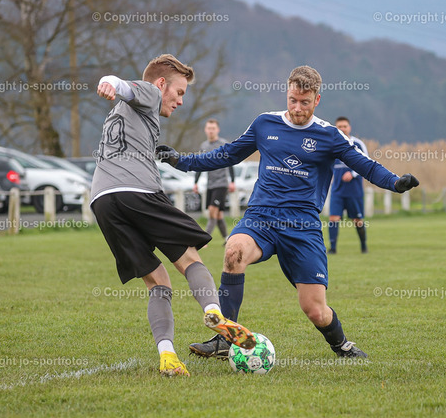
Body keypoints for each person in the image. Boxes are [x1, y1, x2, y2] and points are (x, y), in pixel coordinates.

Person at [157, 65, 419, 360]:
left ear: (317, 100)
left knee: (315, 310)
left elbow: (366, 166)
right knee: (233, 251)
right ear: (287, 93)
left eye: (304, 102)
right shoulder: (265, 123)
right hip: (261, 217)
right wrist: (181, 161)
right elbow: (227, 154)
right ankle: (226, 338)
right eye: (292, 100)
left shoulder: (329, 135)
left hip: (302, 226)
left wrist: (394, 183)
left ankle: (342, 345)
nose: (297, 108)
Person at [90, 54, 256, 377]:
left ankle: (167, 355)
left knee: (158, 281)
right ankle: (215, 313)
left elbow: (124, 94)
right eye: (179, 92)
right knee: (189, 258)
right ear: (162, 83)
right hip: (138, 192)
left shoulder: (123, 113)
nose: (180, 101)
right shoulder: (151, 93)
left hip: (102, 201)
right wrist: (108, 82)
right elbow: (123, 85)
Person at [328, 116, 368, 254]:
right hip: (337, 190)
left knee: (357, 219)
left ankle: (363, 246)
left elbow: (367, 164)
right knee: (333, 218)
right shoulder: (331, 144)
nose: (342, 129)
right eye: (339, 127)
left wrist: (352, 173)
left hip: (354, 190)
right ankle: (333, 248)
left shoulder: (358, 144)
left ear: (349, 128)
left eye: (344, 126)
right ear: (336, 128)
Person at [193, 119, 236, 244]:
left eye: (213, 128)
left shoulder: (223, 144)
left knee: (212, 211)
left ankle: (204, 240)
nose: (211, 131)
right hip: (210, 184)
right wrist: (195, 183)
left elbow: (231, 163)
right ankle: (227, 239)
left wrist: (232, 181)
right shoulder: (204, 146)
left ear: (218, 130)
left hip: (221, 184)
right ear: (205, 130)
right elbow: (199, 165)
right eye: (209, 128)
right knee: (218, 215)